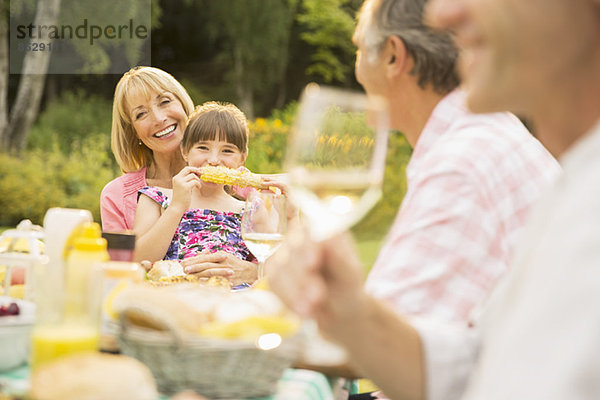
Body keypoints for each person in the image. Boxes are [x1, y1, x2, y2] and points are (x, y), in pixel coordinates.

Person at [267, 0, 600, 398]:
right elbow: (472, 366)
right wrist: (350, 312)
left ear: (394, 56)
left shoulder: (466, 158)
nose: (443, 16)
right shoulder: (572, 178)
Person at [352, 0, 559, 325]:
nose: (357, 69)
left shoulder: (460, 165)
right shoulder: (490, 132)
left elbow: (389, 340)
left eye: (359, 50)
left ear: (393, 56)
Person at [134, 102, 258, 286]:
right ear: (185, 150)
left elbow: (278, 267)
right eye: (203, 148)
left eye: (227, 150)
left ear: (242, 157)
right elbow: (138, 259)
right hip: (175, 295)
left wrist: (292, 215)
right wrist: (176, 207)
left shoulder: (250, 208)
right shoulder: (157, 198)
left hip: (232, 301)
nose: (214, 160)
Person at [100, 66, 194, 232]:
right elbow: (119, 259)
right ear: (133, 132)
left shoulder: (233, 186)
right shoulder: (117, 196)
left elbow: (254, 254)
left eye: (165, 101)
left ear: (183, 105)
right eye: (141, 114)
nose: (159, 119)